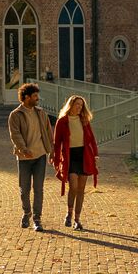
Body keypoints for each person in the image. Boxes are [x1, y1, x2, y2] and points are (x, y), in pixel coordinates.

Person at [7, 82, 53, 231]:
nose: (37, 98)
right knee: (24, 189)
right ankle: (26, 213)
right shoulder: (15, 115)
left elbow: (48, 132)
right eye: (35, 96)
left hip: (40, 156)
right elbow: (15, 134)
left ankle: (37, 219)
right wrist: (24, 149)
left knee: (38, 188)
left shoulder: (41, 113)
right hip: (24, 157)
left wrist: (51, 150)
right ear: (26, 97)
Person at [51, 94, 101, 230]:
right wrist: (55, 159)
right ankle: (69, 213)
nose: (79, 107)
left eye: (81, 105)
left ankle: (77, 219)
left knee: (81, 190)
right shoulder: (62, 121)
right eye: (77, 104)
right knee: (73, 186)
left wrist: (95, 154)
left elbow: (91, 139)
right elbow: (57, 143)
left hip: (84, 156)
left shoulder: (84, 120)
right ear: (71, 105)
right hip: (70, 156)